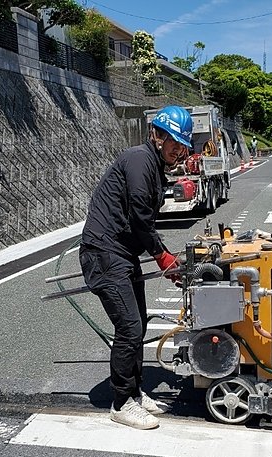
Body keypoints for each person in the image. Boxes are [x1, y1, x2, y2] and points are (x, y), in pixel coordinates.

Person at [79, 105, 193, 430]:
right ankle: (121, 403)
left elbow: (142, 224)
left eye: (181, 143)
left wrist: (164, 257)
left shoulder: (155, 168)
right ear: (156, 135)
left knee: (139, 323)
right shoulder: (140, 159)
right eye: (171, 139)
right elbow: (141, 219)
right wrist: (164, 257)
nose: (176, 147)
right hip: (103, 251)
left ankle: (135, 392)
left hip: (122, 253)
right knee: (128, 327)